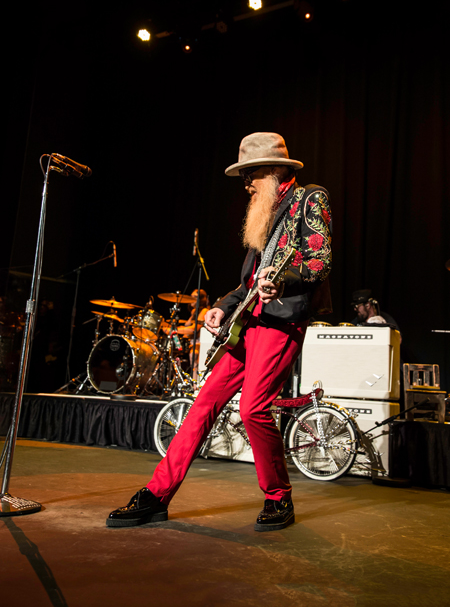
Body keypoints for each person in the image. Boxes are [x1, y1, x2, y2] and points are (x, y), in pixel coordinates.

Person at [107, 132, 333, 531]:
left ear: (277, 170)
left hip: (281, 321)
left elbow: (320, 261)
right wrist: (220, 307)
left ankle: (279, 498)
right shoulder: (265, 213)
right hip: (247, 324)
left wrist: (283, 282)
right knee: (202, 405)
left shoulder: (309, 198)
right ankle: (156, 495)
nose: (246, 184)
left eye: (251, 174)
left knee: (253, 408)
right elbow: (247, 284)